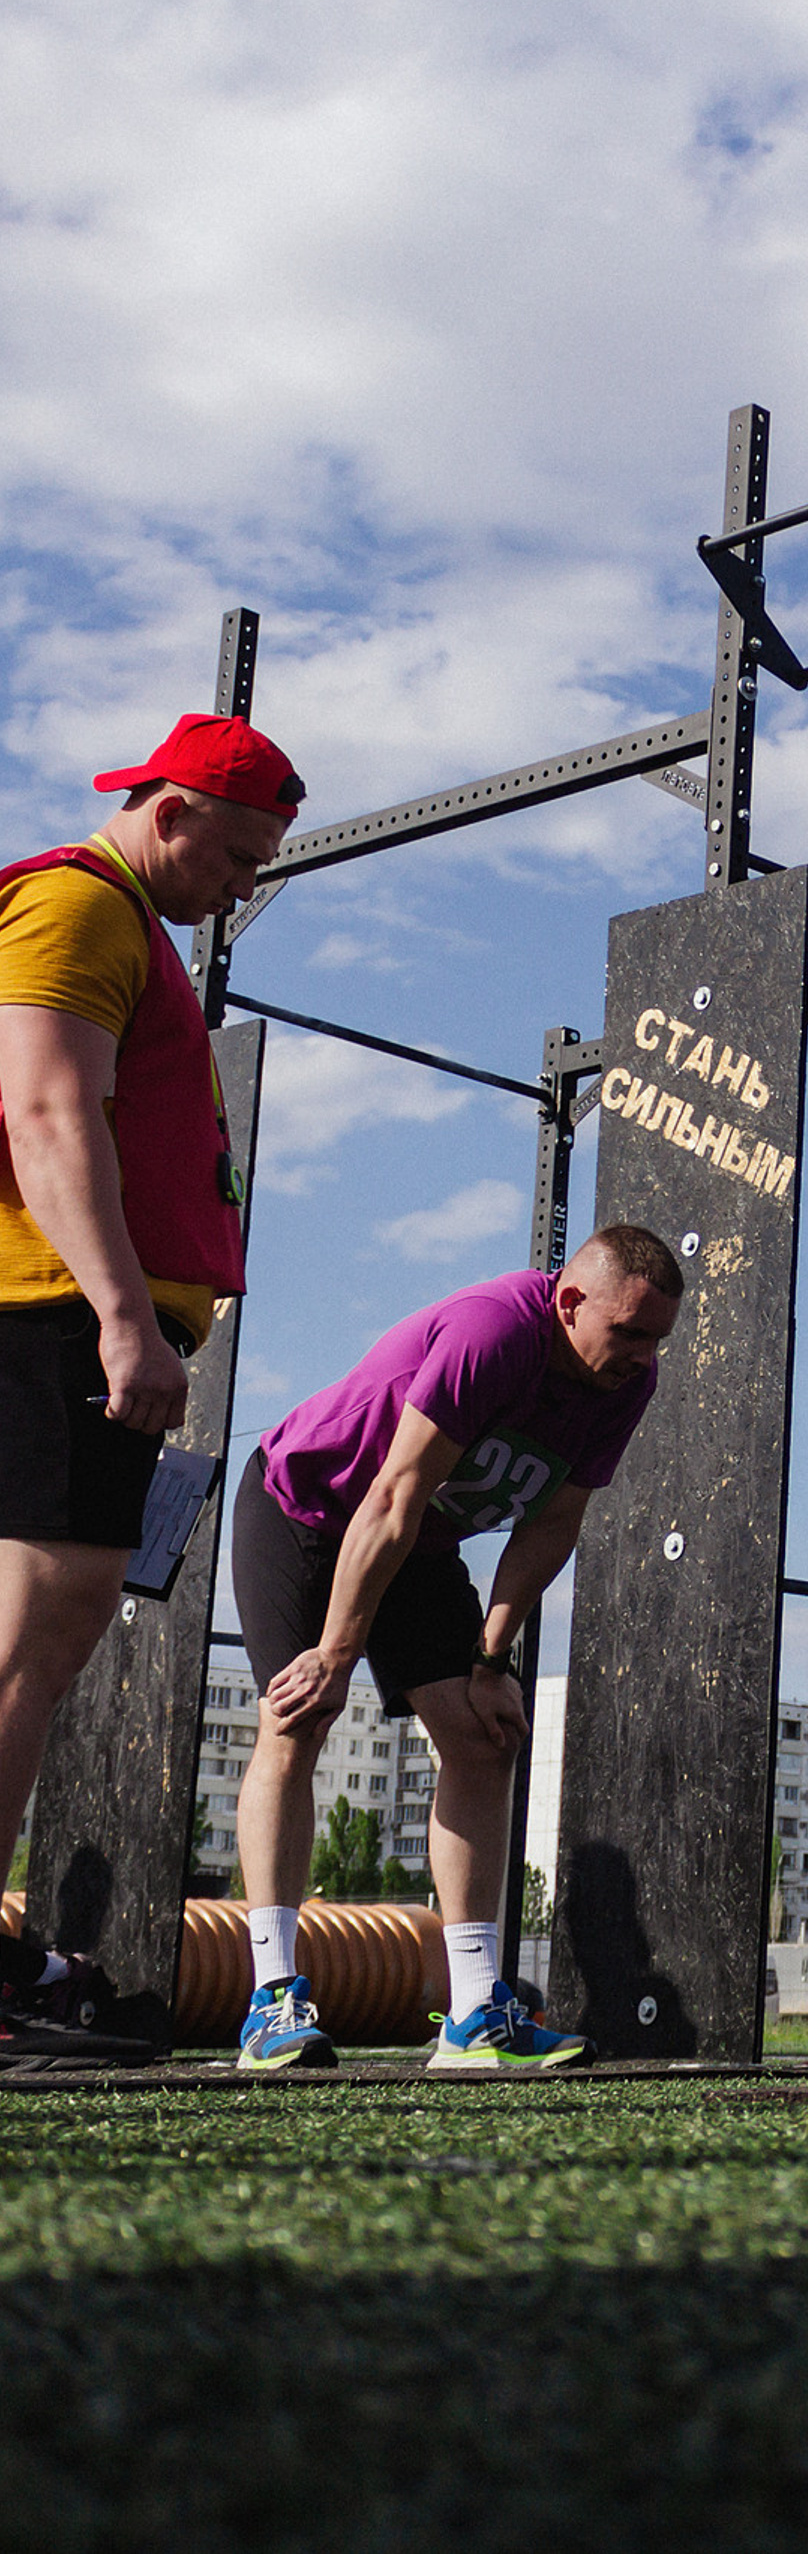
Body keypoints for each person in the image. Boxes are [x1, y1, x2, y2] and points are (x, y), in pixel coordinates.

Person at [0, 715, 302, 2063]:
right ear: (170, 812)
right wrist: (126, 1318)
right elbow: (47, 1112)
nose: (245, 888)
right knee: (30, 1644)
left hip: (72, 1314)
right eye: (239, 857)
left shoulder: (131, 927)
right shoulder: (78, 903)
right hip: (57, 1314)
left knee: (35, 1647)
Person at [228, 1226, 683, 2072]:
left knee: (484, 1736)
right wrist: (335, 1650)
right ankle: (272, 1998)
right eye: (629, 1333)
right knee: (297, 1719)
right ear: (570, 1302)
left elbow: (555, 1525)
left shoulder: (626, 1380)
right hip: (310, 1508)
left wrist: (491, 1660)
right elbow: (392, 1495)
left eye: (657, 1338)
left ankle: (473, 2010)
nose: (642, 1355)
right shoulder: (494, 1333)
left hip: (420, 1544)